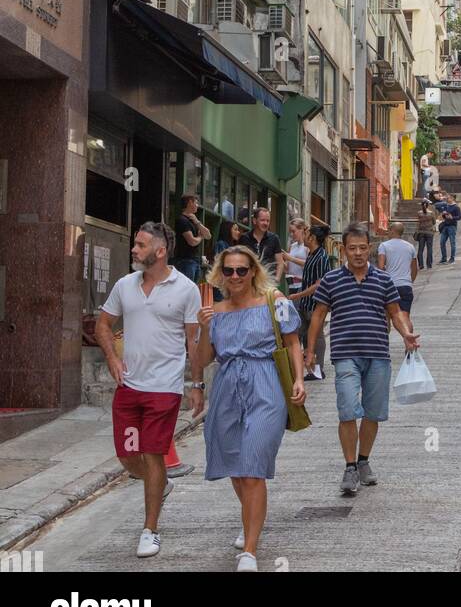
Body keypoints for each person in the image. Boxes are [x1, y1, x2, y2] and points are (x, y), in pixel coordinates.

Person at [94, 222, 202, 560]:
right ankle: (161, 485)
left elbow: (193, 340)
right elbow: (102, 324)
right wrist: (112, 357)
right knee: (128, 457)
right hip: (128, 386)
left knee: (154, 454)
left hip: (164, 389)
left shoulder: (186, 289)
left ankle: (150, 529)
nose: (133, 249)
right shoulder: (125, 285)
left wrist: (196, 384)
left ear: (160, 250)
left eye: (140, 245)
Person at [197, 247, 305, 572]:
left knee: (253, 465)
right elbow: (202, 360)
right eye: (228, 271)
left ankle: (249, 549)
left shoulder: (277, 303)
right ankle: (251, 519)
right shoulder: (215, 312)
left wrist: (299, 378)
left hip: (266, 384)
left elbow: (293, 342)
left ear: (253, 271)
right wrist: (203, 329)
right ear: (220, 274)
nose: (234, 277)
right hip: (227, 387)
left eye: (241, 270)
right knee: (236, 464)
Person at [305, 224, 419, 497]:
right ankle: (350, 466)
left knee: (372, 412)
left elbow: (395, 312)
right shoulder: (331, 280)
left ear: (370, 249)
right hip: (345, 355)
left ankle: (364, 460)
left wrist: (406, 334)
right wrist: (309, 350)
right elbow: (318, 316)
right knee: (347, 410)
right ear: (343, 250)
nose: (357, 253)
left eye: (362, 248)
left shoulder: (383, 279)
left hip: (378, 354)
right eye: (352, 248)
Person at [291, 222, 332, 382]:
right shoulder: (311, 254)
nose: (304, 236)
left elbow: (318, 284)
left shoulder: (321, 256)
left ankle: (318, 369)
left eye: (307, 234)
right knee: (302, 334)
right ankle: (307, 366)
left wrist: (298, 295)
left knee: (317, 334)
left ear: (312, 238)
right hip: (306, 303)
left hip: (316, 303)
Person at [376, 221, 419, 332]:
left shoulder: (384, 246)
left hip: (389, 287)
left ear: (392, 231)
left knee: (386, 317)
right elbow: (415, 269)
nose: (387, 233)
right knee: (405, 318)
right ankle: (411, 344)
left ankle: (385, 344)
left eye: (388, 230)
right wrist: (409, 281)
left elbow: (380, 268)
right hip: (406, 286)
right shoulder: (410, 247)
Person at [239, 205, 285, 281]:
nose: (266, 223)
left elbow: (280, 262)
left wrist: (277, 279)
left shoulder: (274, 238)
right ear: (254, 220)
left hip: (267, 281)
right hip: (249, 280)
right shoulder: (244, 238)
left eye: (268, 221)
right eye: (262, 220)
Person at [173, 193, 211, 282]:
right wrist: (200, 237)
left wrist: (197, 222)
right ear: (190, 202)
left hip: (195, 261)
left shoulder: (194, 220)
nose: (197, 206)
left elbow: (208, 235)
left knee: (193, 290)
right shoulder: (182, 220)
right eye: (196, 203)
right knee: (186, 290)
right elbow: (192, 241)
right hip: (185, 261)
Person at [214, 220, 244, 304]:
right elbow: (220, 263)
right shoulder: (221, 244)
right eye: (235, 229)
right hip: (222, 283)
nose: (238, 232)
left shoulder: (232, 247)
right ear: (227, 230)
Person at [284, 218, 309, 297]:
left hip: (303, 286)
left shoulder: (307, 246)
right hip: (291, 286)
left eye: (293, 231)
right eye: (290, 232)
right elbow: (287, 269)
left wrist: (291, 258)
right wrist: (280, 259)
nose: (291, 234)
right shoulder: (292, 246)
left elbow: (309, 264)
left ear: (301, 229)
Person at [438, 194, 461, 264]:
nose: (447, 199)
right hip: (445, 226)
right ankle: (444, 258)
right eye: (447, 198)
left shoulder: (456, 207)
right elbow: (444, 216)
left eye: (449, 198)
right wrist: (443, 214)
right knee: (442, 242)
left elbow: (459, 217)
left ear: (453, 199)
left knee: (452, 243)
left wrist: (452, 217)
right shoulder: (446, 206)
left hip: (452, 226)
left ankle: (452, 258)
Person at [415, 199, 436, 270]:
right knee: (429, 248)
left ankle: (421, 265)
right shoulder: (431, 213)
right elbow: (434, 222)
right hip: (429, 232)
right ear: (428, 205)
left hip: (421, 232)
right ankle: (429, 265)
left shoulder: (419, 213)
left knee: (420, 249)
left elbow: (418, 222)